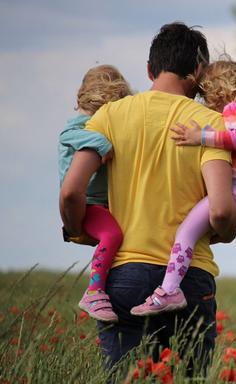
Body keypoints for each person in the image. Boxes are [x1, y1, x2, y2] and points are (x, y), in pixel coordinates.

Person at [59, 22, 236, 374]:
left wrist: (77, 228)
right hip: (189, 279)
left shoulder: (109, 116)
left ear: (149, 69)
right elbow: (220, 210)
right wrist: (228, 229)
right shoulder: (210, 124)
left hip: (123, 276)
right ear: (199, 72)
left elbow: (70, 191)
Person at [131, 57, 236, 316]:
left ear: (219, 91)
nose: (206, 104)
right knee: (198, 233)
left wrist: (198, 137)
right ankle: (177, 277)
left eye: (206, 96)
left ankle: (169, 291)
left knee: (185, 232)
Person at [58, 65, 131, 322]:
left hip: (101, 203)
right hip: (88, 203)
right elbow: (68, 135)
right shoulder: (81, 125)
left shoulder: (95, 123)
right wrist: (102, 144)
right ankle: (94, 290)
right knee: (112, 234)